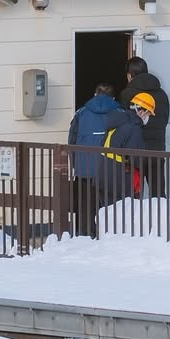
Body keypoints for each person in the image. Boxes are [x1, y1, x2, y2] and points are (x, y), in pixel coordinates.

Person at [67, 83, 119, 237]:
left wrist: (76, 162)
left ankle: (85, 233)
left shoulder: (81, 113)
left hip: (84, 168)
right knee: (109, 204)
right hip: (109, 167)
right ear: (113, 97)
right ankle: (107, 234)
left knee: (85, 204)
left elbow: (72, 140)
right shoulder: (119, 112)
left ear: (95, 95)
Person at [119, 56, 170, 195]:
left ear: (130, 76)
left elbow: (123, 123)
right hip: (157, 150)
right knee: (158, 194)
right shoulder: (162, 94)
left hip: (135, 151)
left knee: (133, 192)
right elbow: (164, 120)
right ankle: (160, 217)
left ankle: (135, 217)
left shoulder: (126, 94)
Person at [94, 93, 150, 217]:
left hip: (103, 173)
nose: (148, 117)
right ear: (141, 111)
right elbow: (137, 159)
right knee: (123, 217)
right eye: (148, 113)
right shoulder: (134, 128)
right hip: (120, 178)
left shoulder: (116, 122)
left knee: (107, 215)